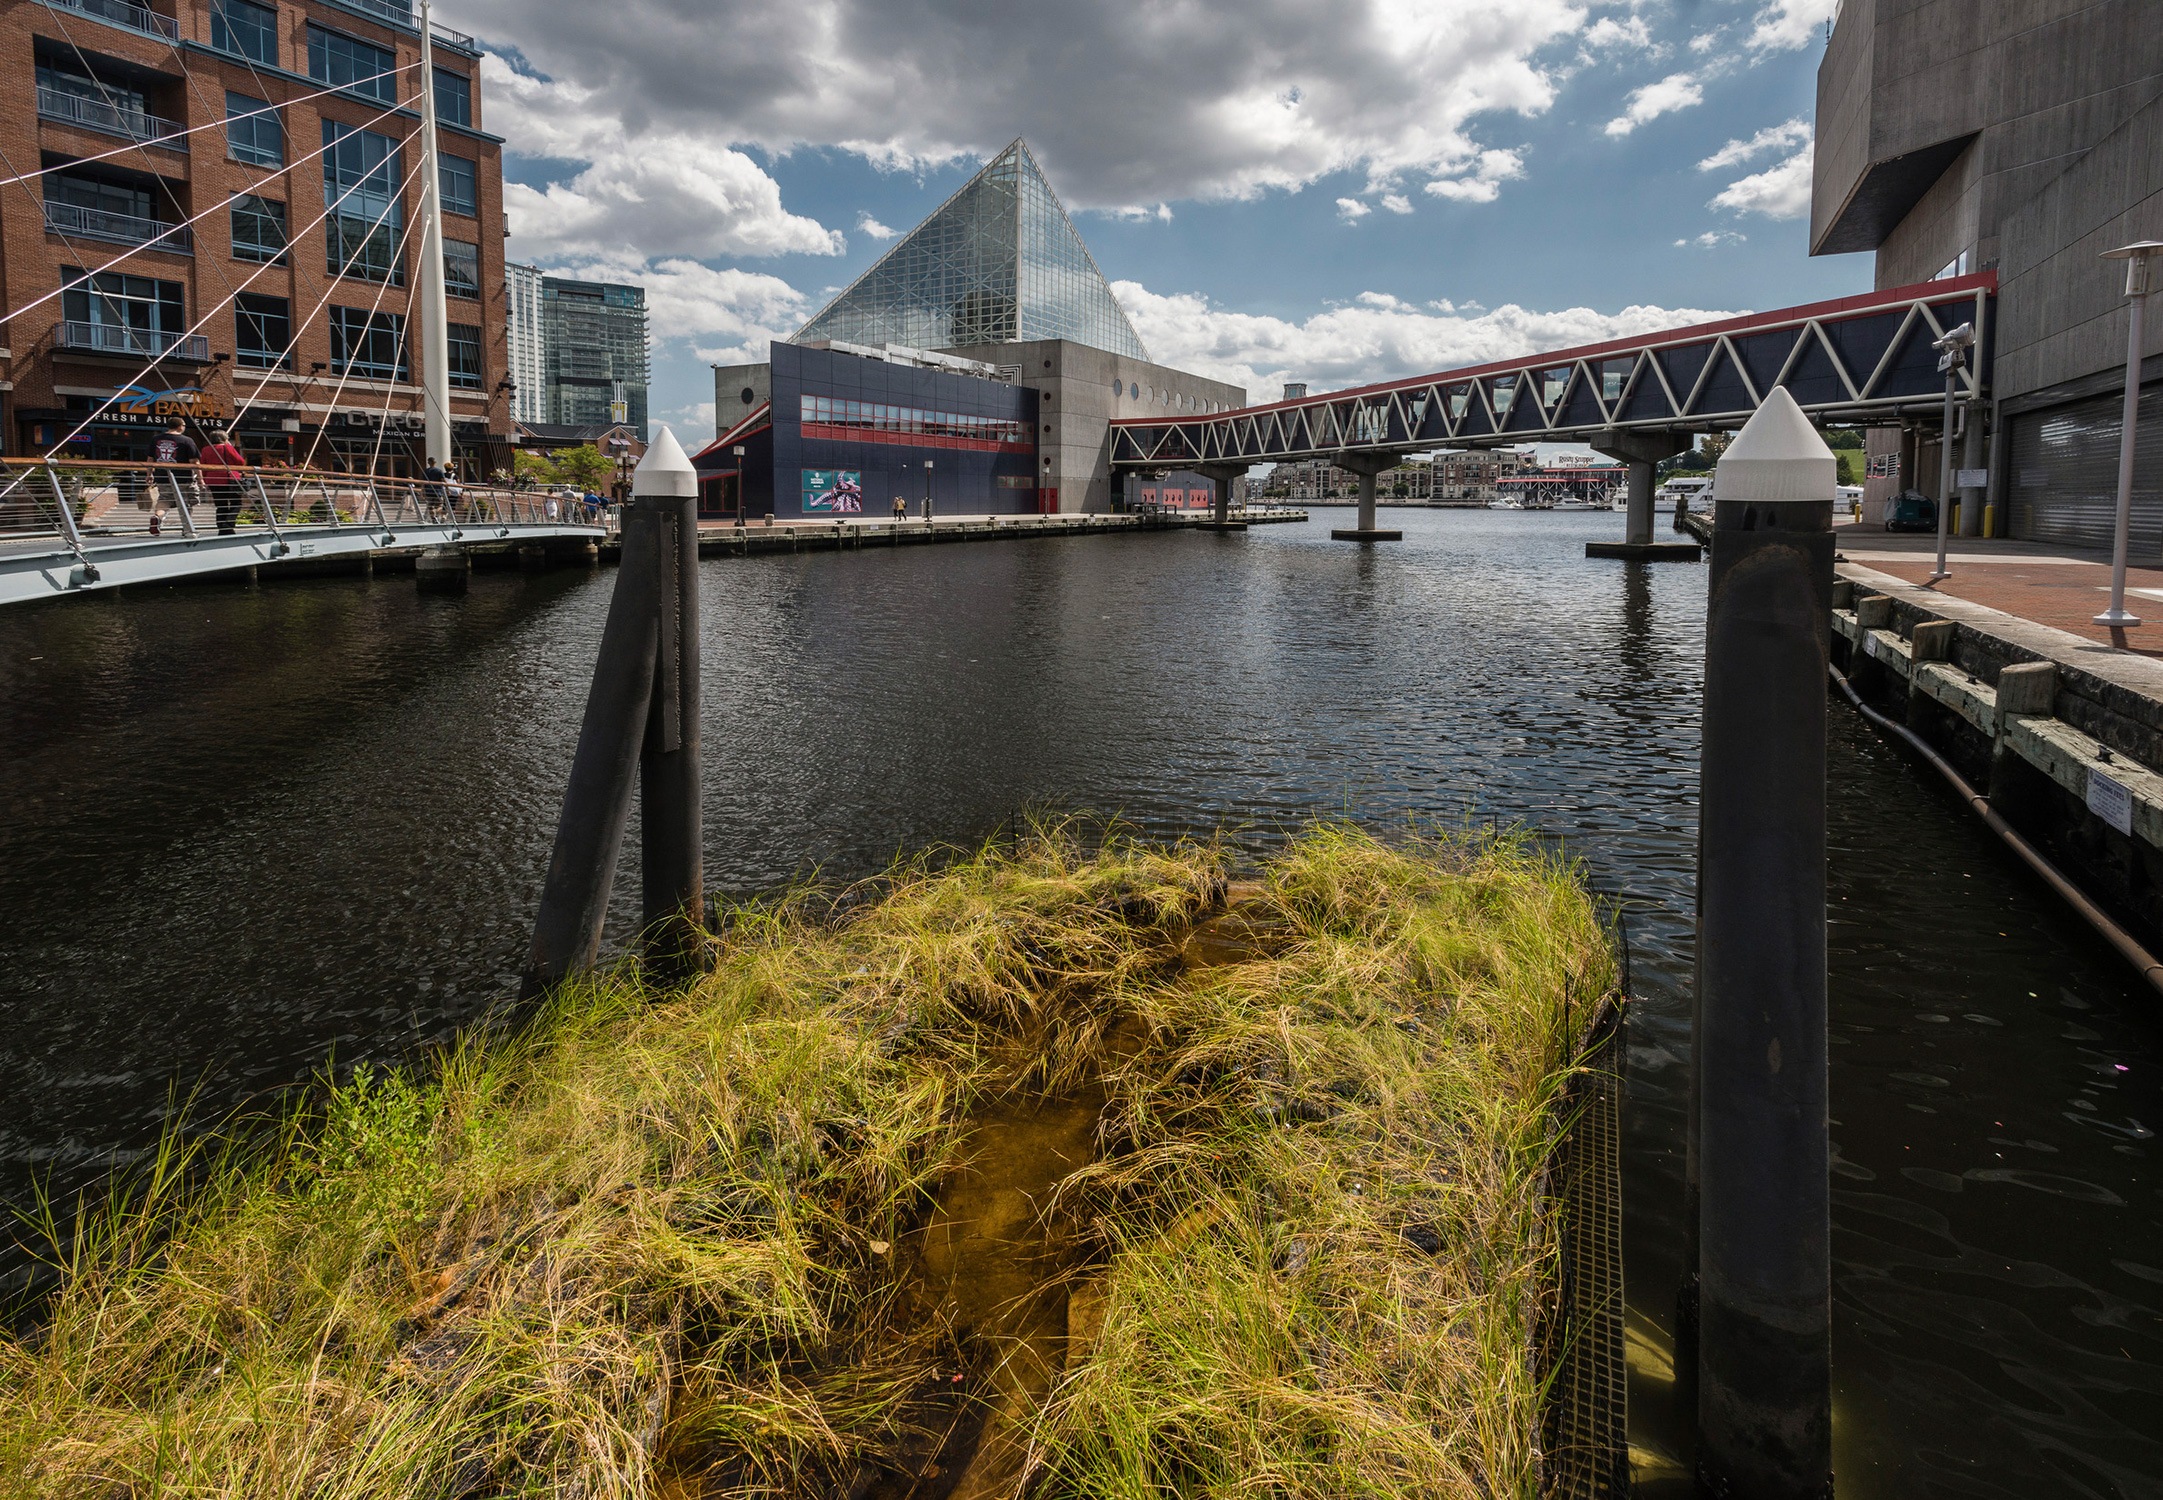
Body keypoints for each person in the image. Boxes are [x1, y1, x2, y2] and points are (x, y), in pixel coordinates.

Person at [147, 418, 199, 536]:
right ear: (180, 426)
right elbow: (194, 462)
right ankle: (187, 529)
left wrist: (149, 474)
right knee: (186, 503)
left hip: (162, 476)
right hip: (183, 478)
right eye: (184, 425)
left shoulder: (156, 439)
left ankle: (157, 517)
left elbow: (150, 459)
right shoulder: (187, 440)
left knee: (164, 499)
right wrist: (200, 479)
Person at [199, 427, 249, 535]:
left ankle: (222, 527)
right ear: (224, 438)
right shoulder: (227, 448)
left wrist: (204, 478)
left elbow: (203, 465)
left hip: (213, 480)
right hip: (229, 479)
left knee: (221, 505)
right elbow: (240, 462)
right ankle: (228, 523)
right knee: (236, 503)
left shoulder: (205, 449)